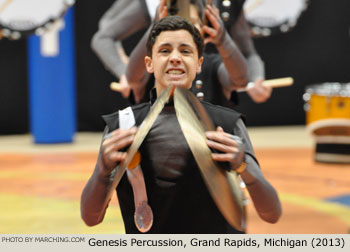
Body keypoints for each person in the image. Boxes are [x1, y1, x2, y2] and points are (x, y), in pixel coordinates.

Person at [81, 16, 281, 233]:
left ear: (198, 64)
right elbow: (91, 218)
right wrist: (102, 171)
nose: (175, 57)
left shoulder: (226, 124)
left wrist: (243, 166)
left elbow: (271, 213)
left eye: (185, 51)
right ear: (149, 63)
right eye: (165, 51)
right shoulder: (123, 125)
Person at [91, 0, 271, 105]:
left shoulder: (212, 66)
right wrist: (125, 74)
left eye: (193, 22)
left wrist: (255, 79)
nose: (183, 30)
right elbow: (103, 36)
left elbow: (246, 60)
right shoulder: (159, 5)